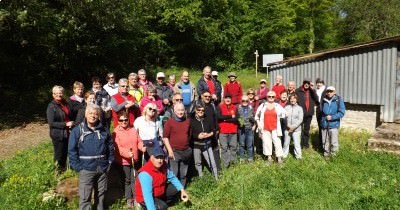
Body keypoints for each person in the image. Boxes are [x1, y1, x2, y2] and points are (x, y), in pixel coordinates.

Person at [68, 104, 114, 210]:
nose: (93, 116)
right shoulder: (77, 130)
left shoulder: (104, 129)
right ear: (85, 114)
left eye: (95, 114)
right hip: (86, 168)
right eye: (90, 113)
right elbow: (72, 150)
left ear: (99, 116)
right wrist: (78, 167)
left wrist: (110, 162)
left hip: (102, 168)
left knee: (101, 195)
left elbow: (110, 146)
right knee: (85, 196)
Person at [135, 145, 189, 210]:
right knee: (163, 207)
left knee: (175, 188)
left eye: (161, 157)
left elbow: (172, 178)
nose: (160, 161)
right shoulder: (145, 173)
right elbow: (147, 196)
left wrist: (182, 190)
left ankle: (160, 202)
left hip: (158, 192)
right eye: (157, 157)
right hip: (144, 198)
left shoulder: (164, 166)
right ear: (151, 157)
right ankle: (143, 206)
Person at [112, 111, 142, 208]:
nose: (124, 122)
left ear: (129, 120)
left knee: (135, 179)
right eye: (121, 120)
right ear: (118, 121)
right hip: (124, 161)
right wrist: (127, 153)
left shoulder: (133, 129)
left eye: (126, 120)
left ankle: (136, 198)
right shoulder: (116, 132)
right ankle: (129, 198)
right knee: (127, 180)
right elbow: (118, 148)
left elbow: (139, 141)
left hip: (135, 159)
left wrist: (142, 147)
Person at [189, 90, 221, 172]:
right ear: (202, 96)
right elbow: (191, 117)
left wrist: (216, 129)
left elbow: (215, 118)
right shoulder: (197, 105)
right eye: (206, 96)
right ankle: (201, 171)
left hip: (211, 132)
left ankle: (217, 170)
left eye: (209, 96)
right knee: (199, 156)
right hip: (200, 136)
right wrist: (197, 134)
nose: (207, 98)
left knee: (214, 150)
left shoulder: (212, 105)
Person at [163, 103, 192, 186]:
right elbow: (165, 137)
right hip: (174, 151)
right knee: (174, 173)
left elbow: (189, 135)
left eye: (182, 110)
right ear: (174, 111)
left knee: (184, 173)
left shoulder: (187, 122)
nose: (180, 112)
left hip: (186, 151)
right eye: (178, 110)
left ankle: (182, 190)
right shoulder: (169, 122)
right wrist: (170, 151)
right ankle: (174, 192)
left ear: (185, 111)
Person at [46, 85, 74, 172]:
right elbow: (51, 123)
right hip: (58, 134)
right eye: (57, 93)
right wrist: (65, 124)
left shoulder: (65, 103)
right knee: (59, 154)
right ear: (53, 94)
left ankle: (66, 169)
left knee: (66, 152)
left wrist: (71, 122)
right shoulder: (51, 106)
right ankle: (58, 172)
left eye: (61, 93)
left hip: (67, 132)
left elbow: (69, 115)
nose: (59, 95)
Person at [255, 91, 287, 164]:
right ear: (267, 97)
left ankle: (279, 159)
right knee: (267, 143)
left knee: (277, 143)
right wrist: (259, 124)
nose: (271, 98)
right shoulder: (263, 105)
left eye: (273, 96)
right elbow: (256, 116)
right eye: (269, 96)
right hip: (265, 128)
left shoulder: (277, 106)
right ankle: (269, 159)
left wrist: (282, 115)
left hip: (275, 128)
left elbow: (285, 113)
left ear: (275, 97)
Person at [190, 102, 219, 180]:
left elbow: (214, 129)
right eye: (199, 110)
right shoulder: (191, 120)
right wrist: (197, 136)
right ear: (195, 110)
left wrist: (209, 134)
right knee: (198, 162)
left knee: (212, 162)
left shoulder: (207, 119)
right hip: (196, 144)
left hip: (207, 144)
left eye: (202, 110)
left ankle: (216, 179)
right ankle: (201, 178)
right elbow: (190, 133)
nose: (201, 112)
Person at [320, 86, 346, 158]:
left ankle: (334, 156)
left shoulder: (338, 100)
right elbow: (321, 111)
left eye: (331, 91)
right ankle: (326, 155)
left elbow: (342, 112)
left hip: (334, 124)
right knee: (325, 142)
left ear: (334, 92)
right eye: (328, 91)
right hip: (324, 124)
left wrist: (332, 117)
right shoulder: (323, 100)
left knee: (334, 142)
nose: (329, 93)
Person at [295, 78, 319, 149]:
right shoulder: (298, 91)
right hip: (301, 113)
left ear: (309, 84)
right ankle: (301, 144)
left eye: (308, 83)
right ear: (303, 83)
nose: (306, 84)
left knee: (306, 129)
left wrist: (312, 90)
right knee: (300, 129)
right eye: (305, 83)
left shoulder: (312, 91)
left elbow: (316, 99)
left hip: (309, 114)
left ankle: (305, 144)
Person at [217, 93, 239, 168]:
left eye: (229, 98)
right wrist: (230, 117)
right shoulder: (220, 106)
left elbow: (236, 118)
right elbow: (219, 117)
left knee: (234, 147)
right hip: (223, 131)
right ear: (224, 99)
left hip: (233, 131)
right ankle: (225, 165)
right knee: (224, 148)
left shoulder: (235, 107)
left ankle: (233, 163)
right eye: (226, 98)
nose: (228, 99)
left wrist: (225, 119)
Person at [283, 95, 303, 159]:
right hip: (287, 128)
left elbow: (300, 119)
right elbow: (284, 118)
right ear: (289, 100)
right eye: (291, 99)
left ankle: (298, 156)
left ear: (296, 100)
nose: (292, 100)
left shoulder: (299, 108)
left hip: (296, 129)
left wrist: (293, 127)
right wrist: (288, 126)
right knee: (286, 143)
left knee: (297, 144)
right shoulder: (286, 107)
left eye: (294, 99)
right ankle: (284, 155)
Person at [237, 95, 256, 162]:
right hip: (241, 129)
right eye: (243, 101)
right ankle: (241, 158)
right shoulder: (238, 108)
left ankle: (250, 158)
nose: (245, 102)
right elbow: (236, 118)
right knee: (241, 144)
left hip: (249, 128)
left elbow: (254, 117)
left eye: (246, 101)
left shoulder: (251, 108)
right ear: (241, 101)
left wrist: (254, 125)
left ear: (248, 101)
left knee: (249, 145)